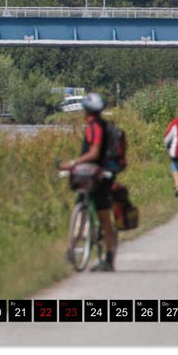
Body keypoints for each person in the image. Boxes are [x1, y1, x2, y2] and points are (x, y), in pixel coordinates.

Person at [62, 92, 117, 272]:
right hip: (92, 174)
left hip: (98, 175)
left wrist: (72, 163)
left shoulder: (94, 127)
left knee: (103, 216)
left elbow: (93, 153)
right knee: (84, 206)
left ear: (87, 111)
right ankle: (77, 247)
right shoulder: (99, 124)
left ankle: (108, 258)